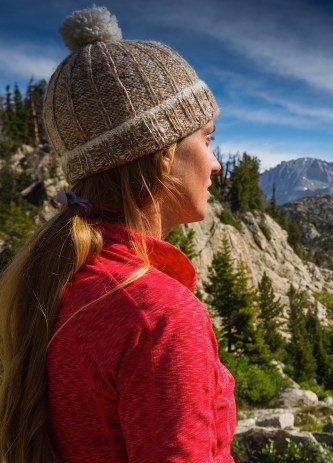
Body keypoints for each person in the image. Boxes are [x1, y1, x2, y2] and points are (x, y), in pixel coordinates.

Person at [0, 5, 235, 462]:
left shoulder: (65, 280)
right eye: (207, 139)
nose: (215, 162)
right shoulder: (159, 317)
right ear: (165, 152)